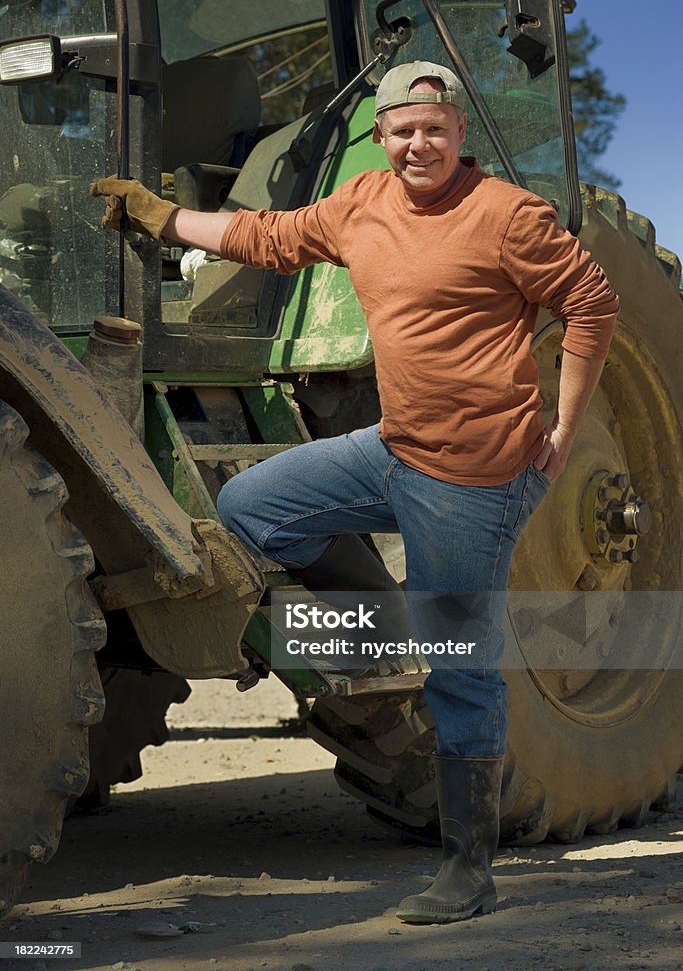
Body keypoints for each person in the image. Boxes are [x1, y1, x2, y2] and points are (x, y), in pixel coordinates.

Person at [91, 60, 619, 925]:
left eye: (434, 128)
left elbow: (591, 306)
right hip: (395, 448)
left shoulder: (507, 216)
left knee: (459, 668)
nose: (419, 143)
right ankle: (386, 616)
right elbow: (268, 236)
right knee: (251, 507)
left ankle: (466, 868)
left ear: (458, 135)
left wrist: (561, 430)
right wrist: (164, 217)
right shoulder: (363, 202)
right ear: (382, 136)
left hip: (474, 476)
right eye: (402, 129)